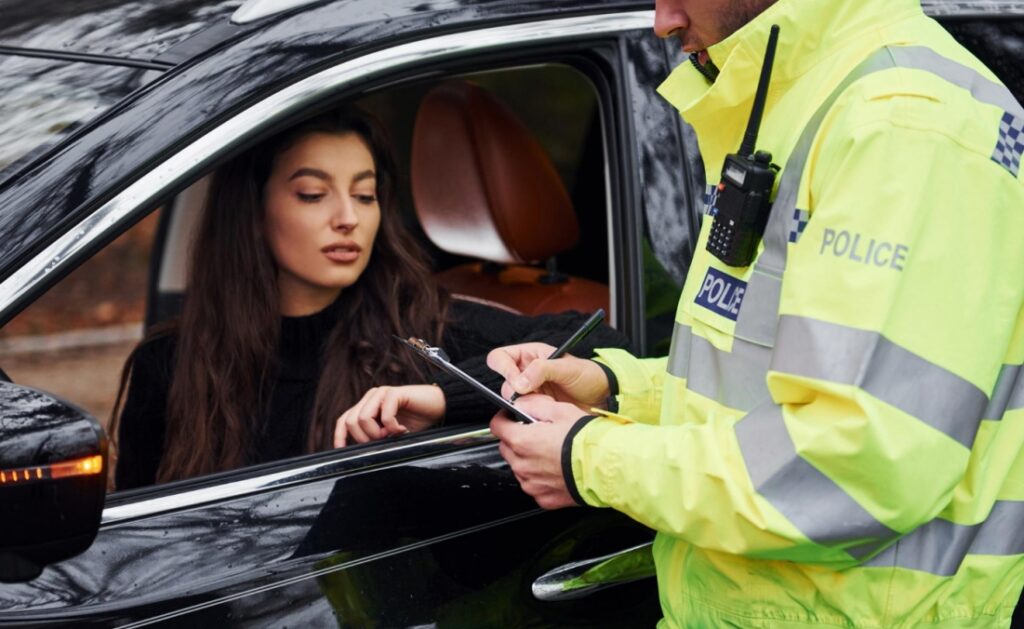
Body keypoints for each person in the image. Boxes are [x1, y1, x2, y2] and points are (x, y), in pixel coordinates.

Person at [488, 0, 1024, 627]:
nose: (662, 20)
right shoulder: (808, 97)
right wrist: (616, 391)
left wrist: (591, 459)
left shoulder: (902, 126)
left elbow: (852, 465)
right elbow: (777, 374)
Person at [112, 107, 627, 490]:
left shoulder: (421, 326)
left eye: (365, 195)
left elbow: (601, 344)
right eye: (314, 194)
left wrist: (448, 397)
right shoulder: (168, 366)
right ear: (252, 209)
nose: (348, 218)